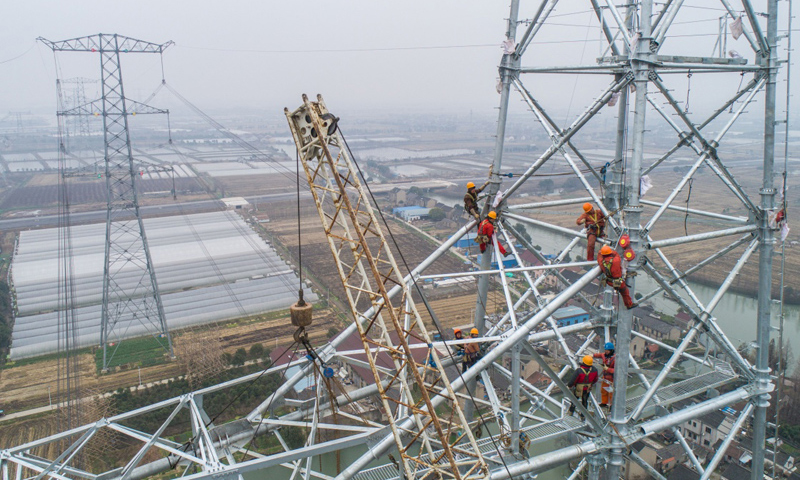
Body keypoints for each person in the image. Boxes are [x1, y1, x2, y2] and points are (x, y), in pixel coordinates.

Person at [593, 342, 615, 407]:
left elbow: (616, 370)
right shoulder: (604, 355)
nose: (606, 352)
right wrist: (592, 355)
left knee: (611, 392)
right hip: (605, 377)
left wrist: (607, 369)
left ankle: (612, 405)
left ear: (611, 351)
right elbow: (599, 355)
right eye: (605, 350)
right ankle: (604, 402)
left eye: (607, 350)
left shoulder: (615, 359)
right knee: (603, 390)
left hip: (612, 378)